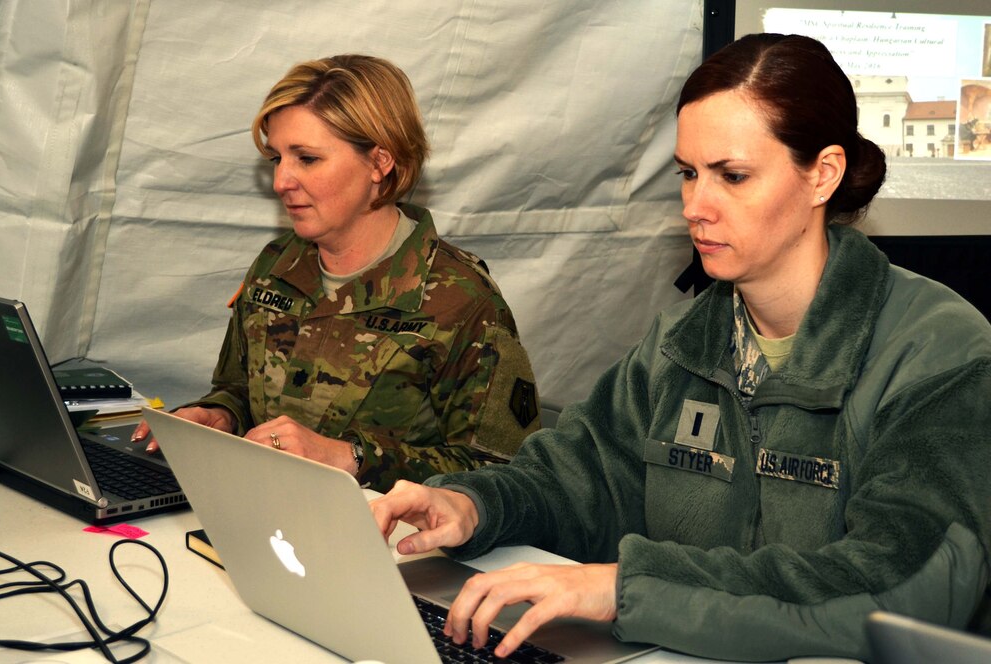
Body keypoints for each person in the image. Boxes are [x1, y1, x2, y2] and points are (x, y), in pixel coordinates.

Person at [370, 33, 991, 661]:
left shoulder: (939, 354)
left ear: (822, 175)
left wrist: (629, 589)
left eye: (733, 176)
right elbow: (582, 477)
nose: (697, 206)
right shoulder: (681, 342)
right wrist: (473, 504)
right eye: (689, 174)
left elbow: (901, 589)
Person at [133, 55, 541, 492]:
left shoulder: (460, 300)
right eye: (277, 159)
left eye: (307, 159)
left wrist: (352, 457)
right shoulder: (277, 266)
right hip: (266, 512)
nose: (281, 181)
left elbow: (509, 481)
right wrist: (220, 414)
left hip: (393, 543)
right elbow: (237, 387)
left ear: (380, 163)